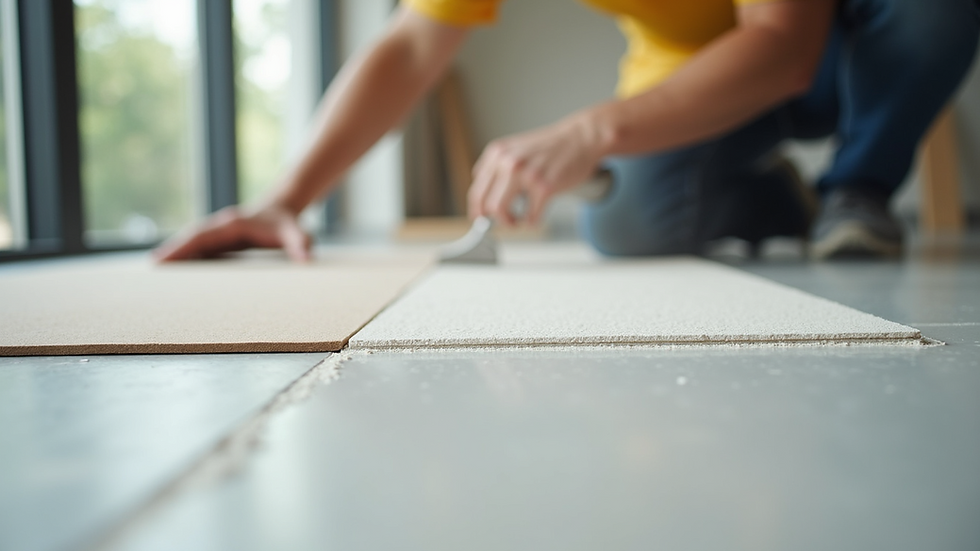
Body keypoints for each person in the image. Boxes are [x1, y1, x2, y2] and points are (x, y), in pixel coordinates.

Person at [154, 0, 980, 262]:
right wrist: (285, 197)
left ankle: (858, 186)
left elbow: (784, 45)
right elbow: (412, 44)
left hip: (848, 35)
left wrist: (593, 127)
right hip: (694, 65)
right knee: (624, 224)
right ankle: (779, 203)